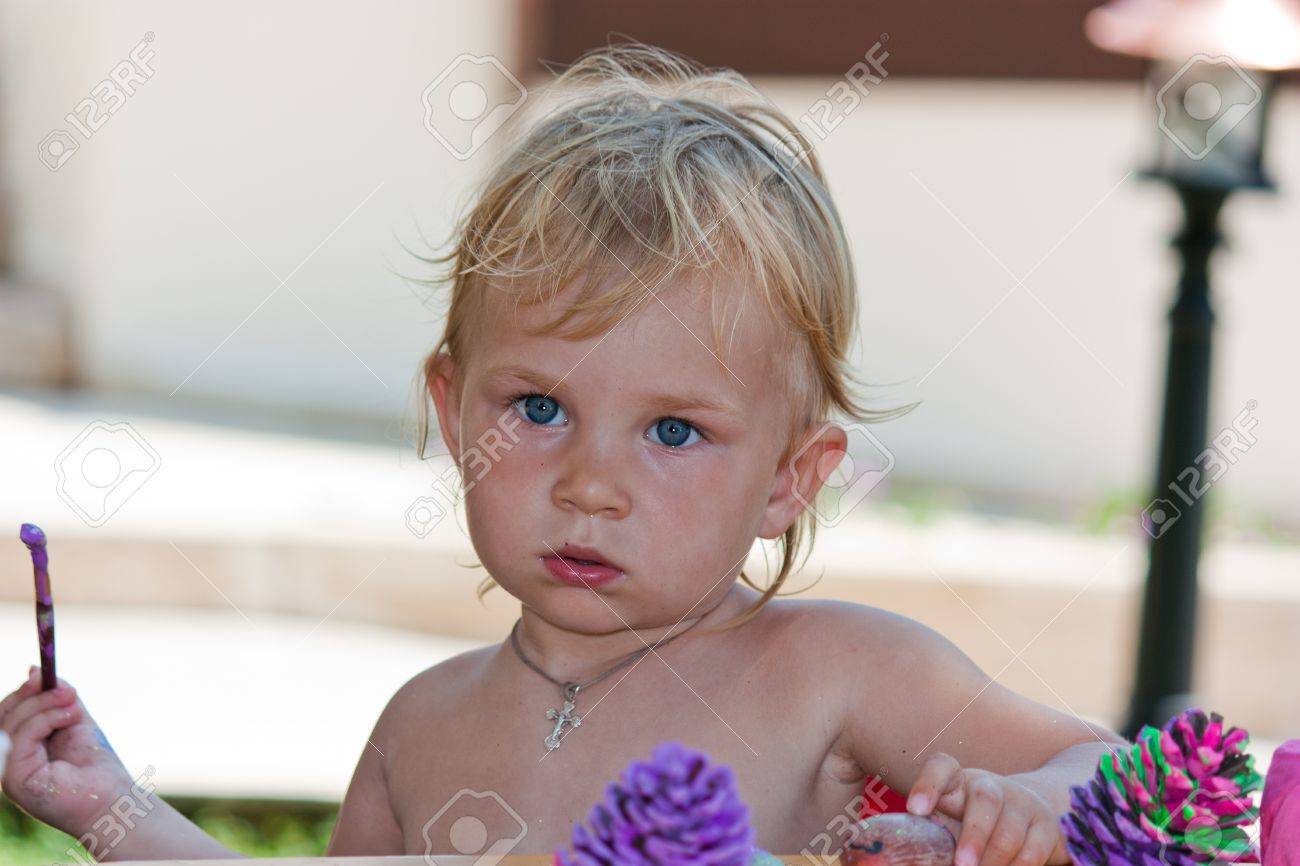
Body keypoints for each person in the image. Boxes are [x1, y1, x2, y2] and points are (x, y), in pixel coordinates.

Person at [0, 42, 1127, 864]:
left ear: (790, 475)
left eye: (675, 430)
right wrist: (112, 808)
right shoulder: (422, 727)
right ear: (453, 412)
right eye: (536, 408)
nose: (591, 484)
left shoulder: (840, 669)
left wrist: (1016, 811)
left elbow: (1119, 778)